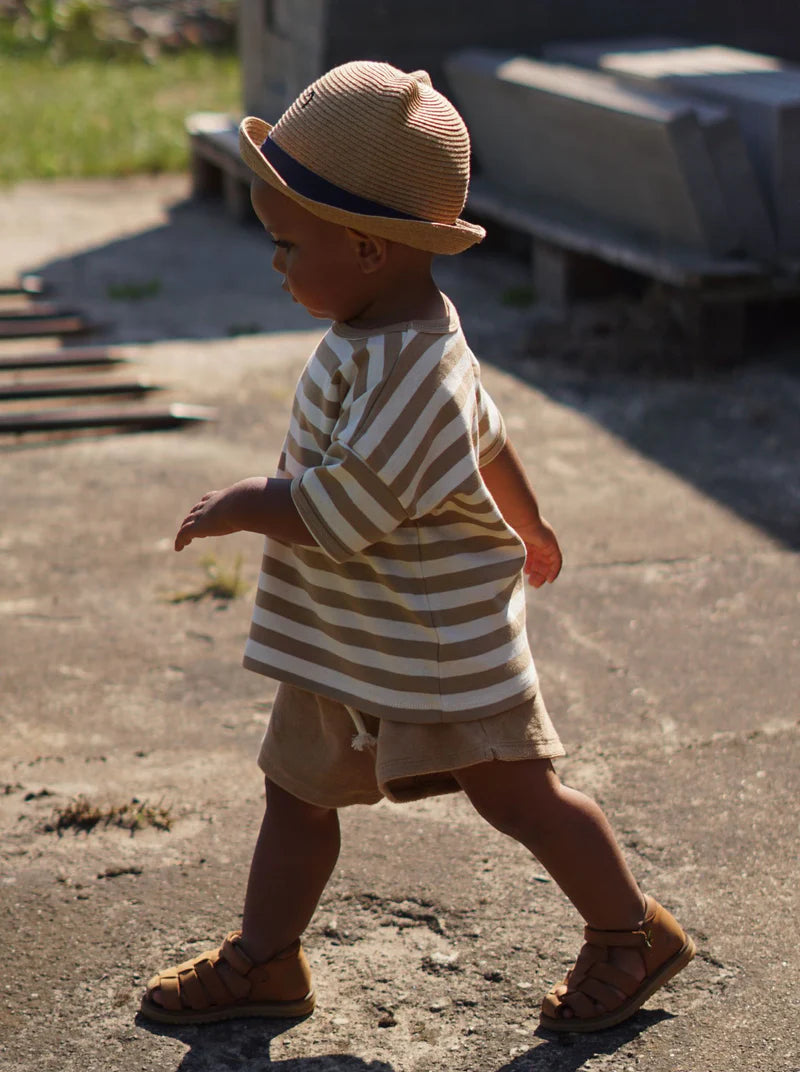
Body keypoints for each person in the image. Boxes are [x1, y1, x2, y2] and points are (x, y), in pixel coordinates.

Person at [139, 60, 694, 1034]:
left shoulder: (412, 372)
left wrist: (240, 502)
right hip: (347, 630)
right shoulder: (377, 325)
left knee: (520, 796)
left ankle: (627, 931)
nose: (275, 264)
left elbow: (339, 509)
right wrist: (528, 520)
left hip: (432, 643)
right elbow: (494, 435)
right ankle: (266, 960)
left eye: (286, 246)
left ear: (363, 249)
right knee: (295, 792)